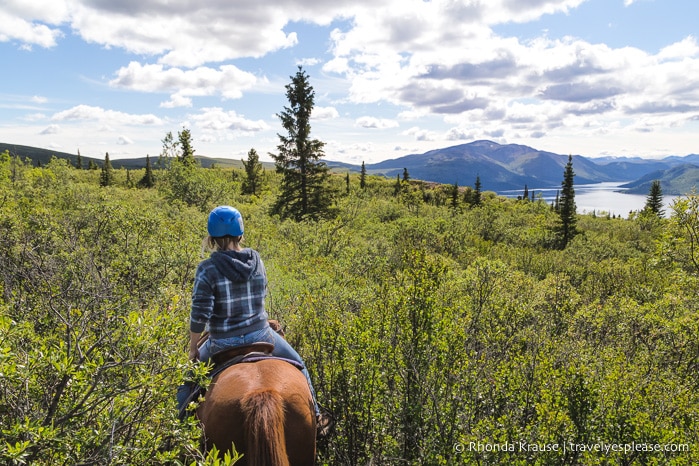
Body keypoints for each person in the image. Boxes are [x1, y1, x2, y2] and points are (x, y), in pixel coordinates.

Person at [181, 205, 332, 436]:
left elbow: (200, 313)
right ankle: (318, 417)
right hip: (260, 334)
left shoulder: (207, 268)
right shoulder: (256, 260)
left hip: (221, 342)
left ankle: (177, 431)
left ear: (212, 238)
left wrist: (193, 348)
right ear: (240, 233)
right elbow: (260, 295)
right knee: (300, 365)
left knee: (186, 383)